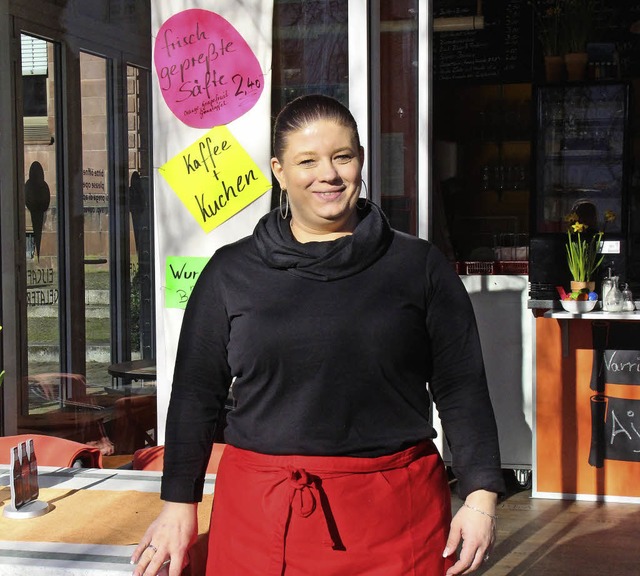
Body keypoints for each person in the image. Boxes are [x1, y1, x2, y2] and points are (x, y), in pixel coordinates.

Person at [132, 94, 504, 576]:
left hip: (395, 514)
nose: (327, 175)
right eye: (306, 161)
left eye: (342, 157)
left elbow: (461, 386)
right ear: (279, 171)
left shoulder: (418, 266)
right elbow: (195, 396)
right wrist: (178, 504)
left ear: (360, 162)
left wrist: (480, 498)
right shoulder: (231, 272)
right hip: (260, 515)